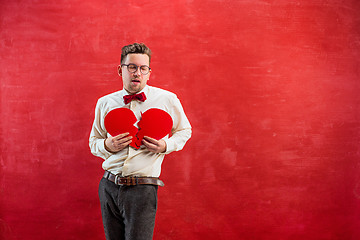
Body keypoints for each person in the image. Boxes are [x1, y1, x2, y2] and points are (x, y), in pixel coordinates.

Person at [89, 43, 192, 240]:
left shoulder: (167, 99)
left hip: (142, 188)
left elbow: (184, 130)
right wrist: (106, 146)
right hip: (108, 185)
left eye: (143, 68)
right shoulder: (105, 103)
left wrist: (165, 146)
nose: (137, 73)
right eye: (132, 67)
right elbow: (94, 141)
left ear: (149, 72)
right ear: (121, 70)